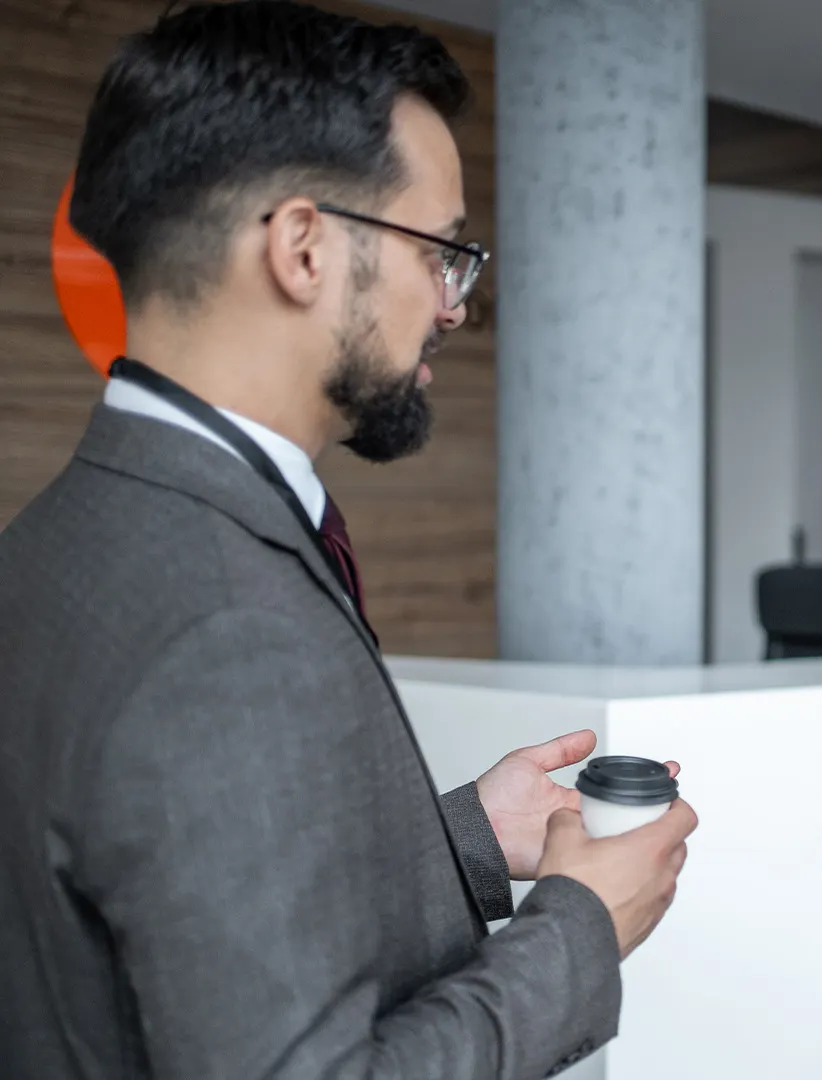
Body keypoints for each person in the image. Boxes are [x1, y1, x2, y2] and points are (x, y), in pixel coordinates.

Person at [0, 4, 697, 1077]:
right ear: (304, 248)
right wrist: (578, 931)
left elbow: (171, 904)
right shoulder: (225, 623)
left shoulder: (57, 544)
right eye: (444, 251)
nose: (456, 305)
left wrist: (462, 836)